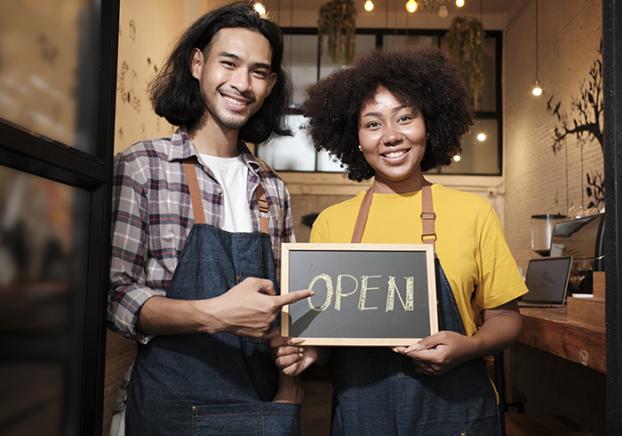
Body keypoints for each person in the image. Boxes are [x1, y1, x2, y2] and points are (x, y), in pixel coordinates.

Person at [272, 47, 528, 435]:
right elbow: (325, 336)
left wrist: (468, 347)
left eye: (405, 118)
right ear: (354, 137)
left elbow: (507, 319)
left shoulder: (473, 213)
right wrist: (306, 353)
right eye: (372, 124)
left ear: (429, 124)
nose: (391, 136)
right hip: (362, 416)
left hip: (458, 414)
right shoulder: (331, 225)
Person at [108, 3, 312, 435]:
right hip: (169, 404)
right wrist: (214, 314)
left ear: (270, 84)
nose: (242, 83)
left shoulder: (272, 188)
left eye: (258, 71)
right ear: (198, 64)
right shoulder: (143, 167)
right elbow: (115, 296)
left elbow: (288, 312)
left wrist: (292, 373)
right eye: (229, 63)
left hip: (260, 406)